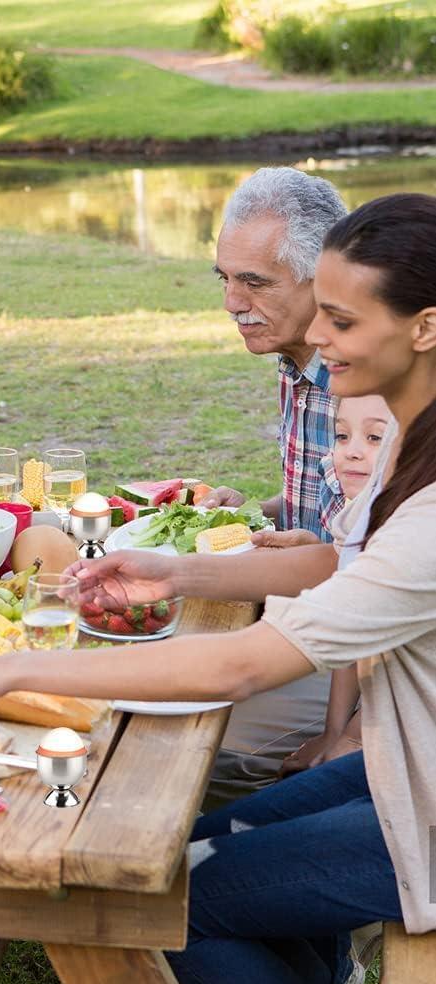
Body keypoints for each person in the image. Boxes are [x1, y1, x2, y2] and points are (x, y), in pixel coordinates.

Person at [0, 192, 436, 984]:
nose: (317, 338)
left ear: (423, 327)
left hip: (420, 803)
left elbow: (237, 668)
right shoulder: (405, 443)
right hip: (404, 761)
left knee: (153, 893)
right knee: (196, 844)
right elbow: (344, 566)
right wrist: (180, 572)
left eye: (341, 321)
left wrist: (8, 672)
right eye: (318, 313)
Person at [199, 167, 348, 803]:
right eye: (225, 278)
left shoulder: (361, 381)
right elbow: (324, 508)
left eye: (255, 282)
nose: (233, 303)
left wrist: (168, 569)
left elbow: (358, 559)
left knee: (196, 738)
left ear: (326, 279)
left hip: (362, 657)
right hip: (308, 621)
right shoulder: (294, 359)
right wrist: (248, 512)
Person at [263, 394, 391, 777]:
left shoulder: (410, 529)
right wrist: (334, 731)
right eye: (341, 436)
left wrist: (352, 737)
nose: (351, 452)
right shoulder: (360, 512)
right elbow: (349, 640)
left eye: (374, 439)